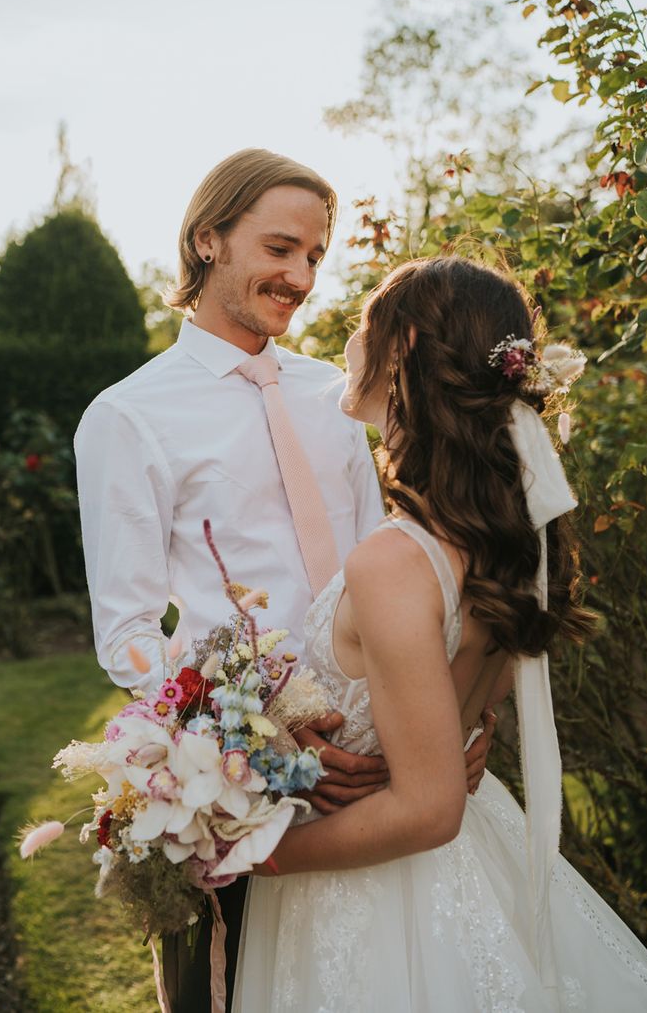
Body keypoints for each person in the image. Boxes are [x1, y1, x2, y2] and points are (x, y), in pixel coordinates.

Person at [74, 151, 493, 1012]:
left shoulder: (341, 397)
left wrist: (453, 713)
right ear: (207, 241)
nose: (301, 275)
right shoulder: (127, 416)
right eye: (280, 248)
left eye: (315, 255)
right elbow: (127, 635)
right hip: (238, 778)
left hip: (383, 764)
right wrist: (254, 739)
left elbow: (401, 564)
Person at [233, 256, 647, 1013]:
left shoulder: (397, 560)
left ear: (401, 346)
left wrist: (262, 856)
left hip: (370, 889)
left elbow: (428, 807)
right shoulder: (509, 540)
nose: (347, 342)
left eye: (363, 322)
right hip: (476, 847)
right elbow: (455, 716)